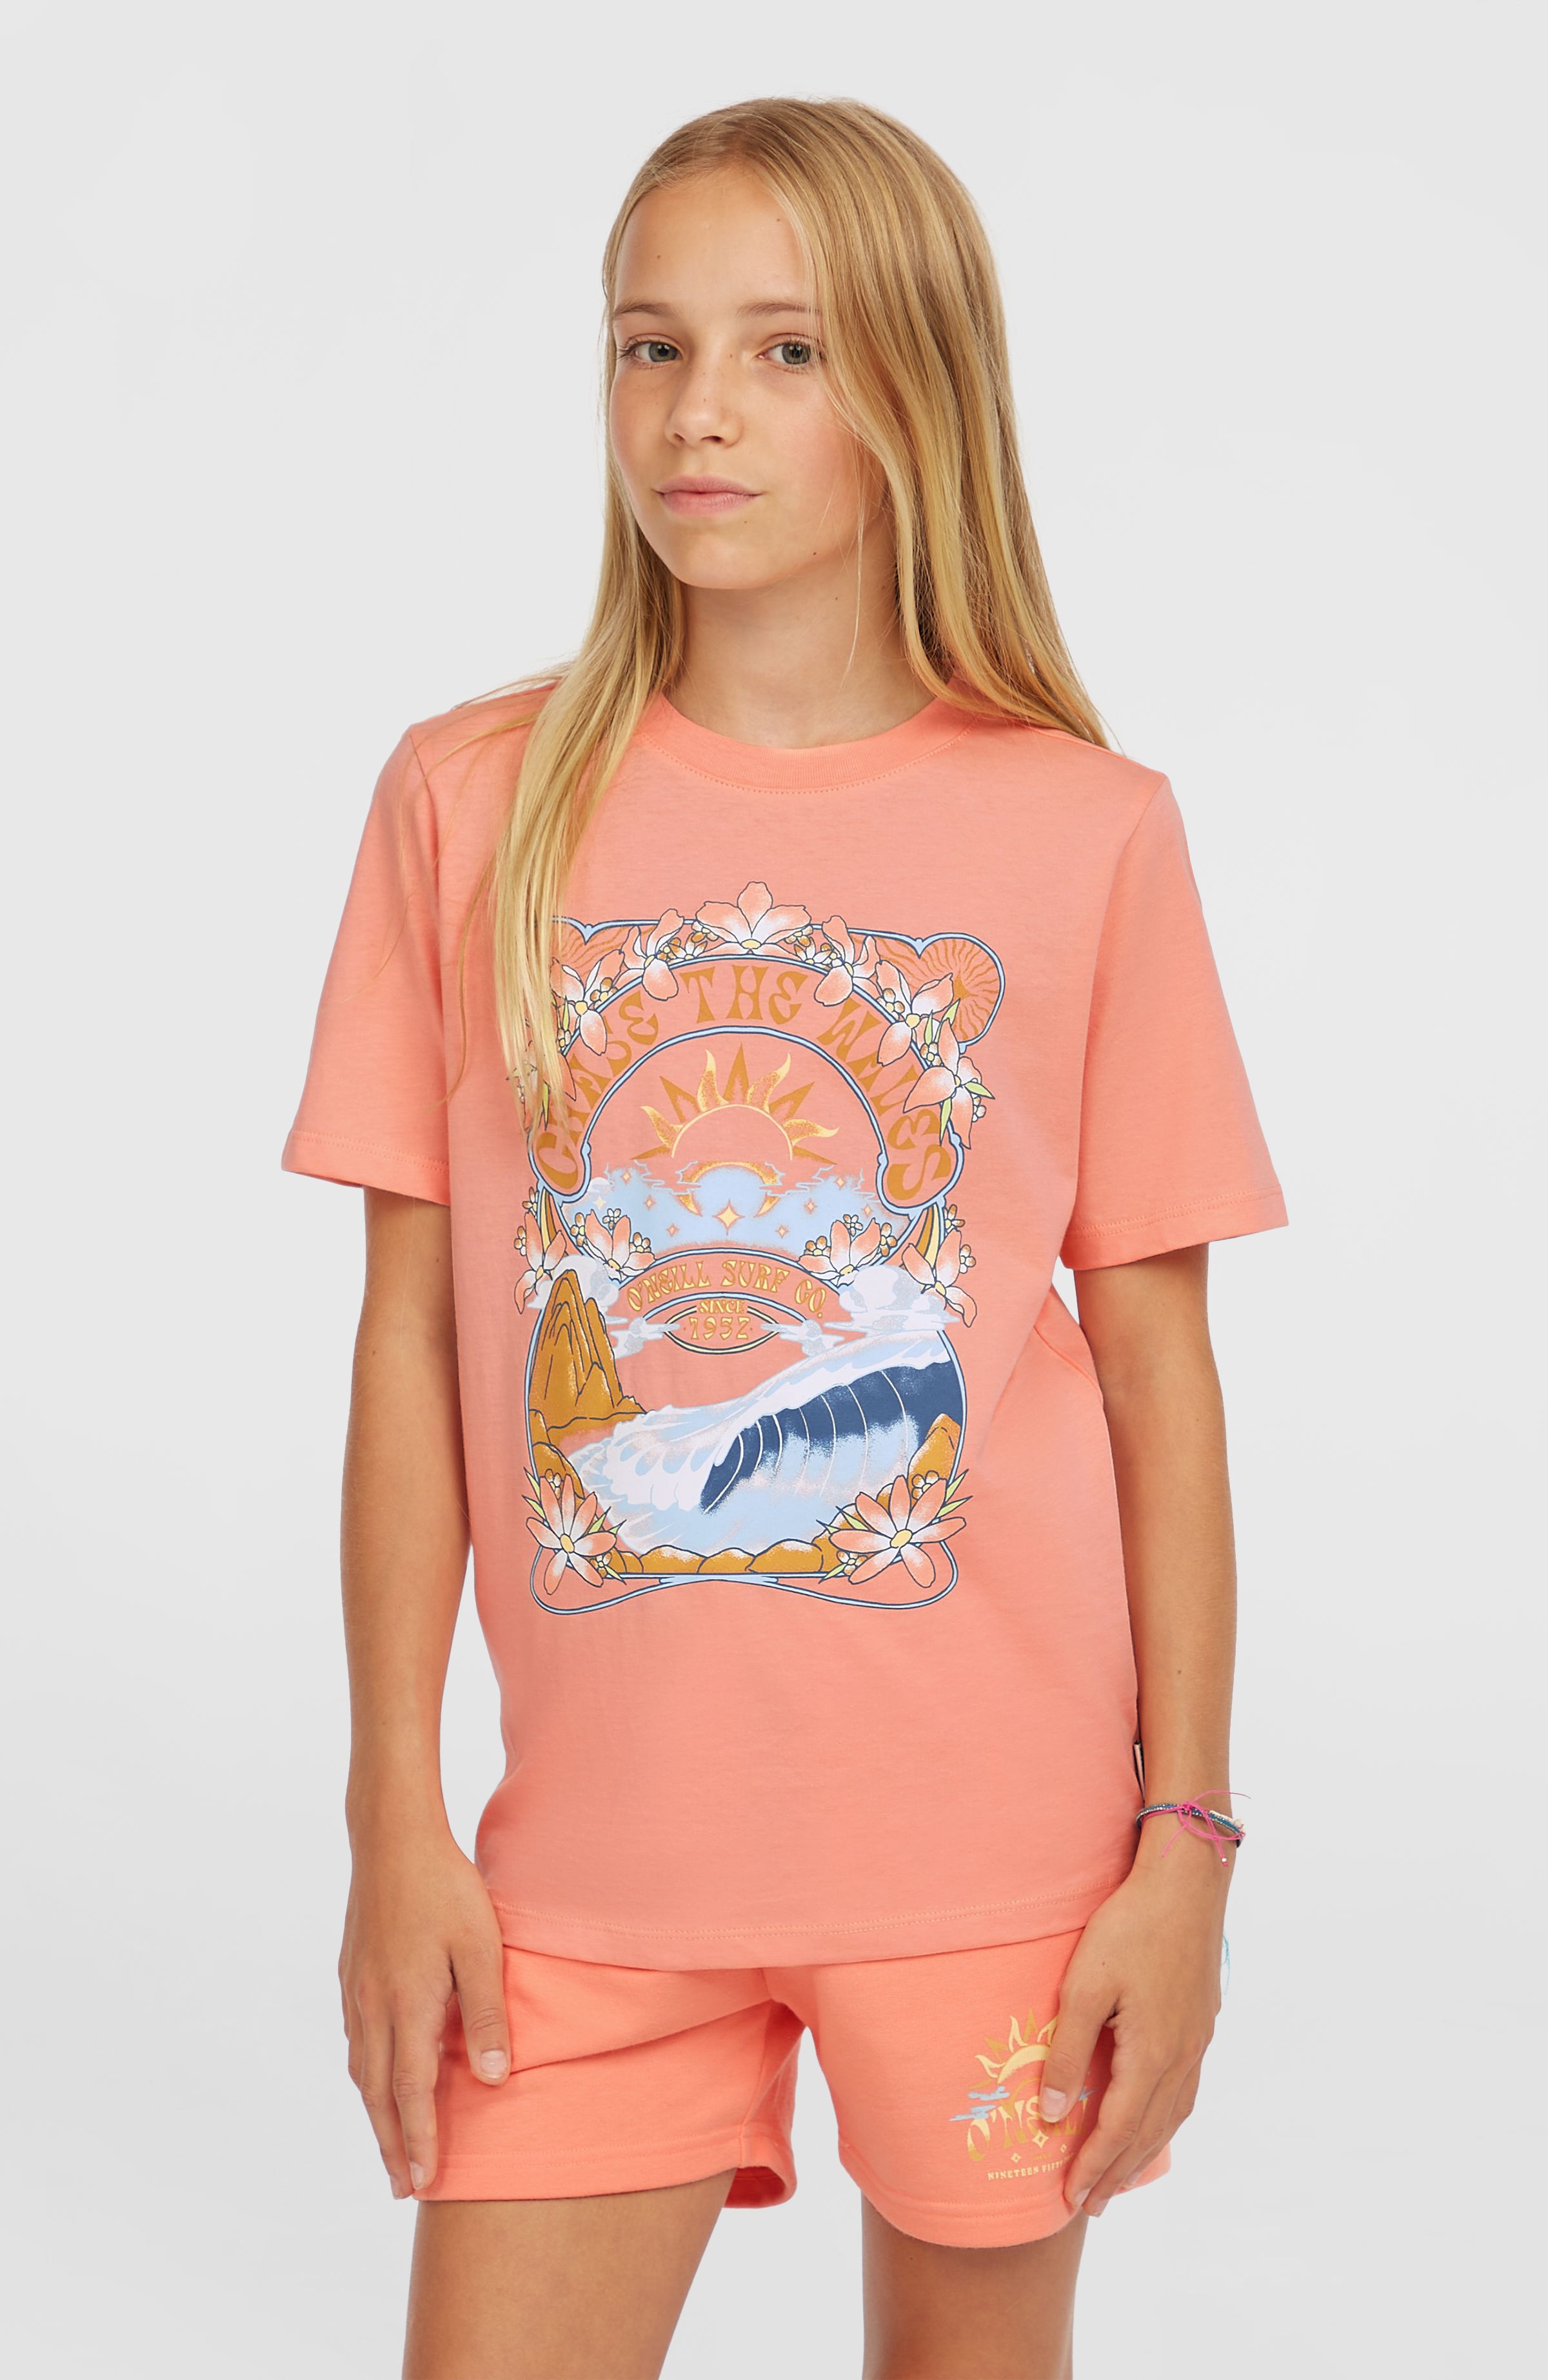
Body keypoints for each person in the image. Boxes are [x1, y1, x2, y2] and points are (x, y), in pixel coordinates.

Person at [283, 96, 1285, 2380]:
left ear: (919, 387)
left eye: (784, 349)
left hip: (1000, 1858)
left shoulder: (1086, 831)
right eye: (650, 344)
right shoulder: (469, 801)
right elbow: (413, 1343)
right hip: (585, 1875)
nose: (697, 410)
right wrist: (391, 1818)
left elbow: (1159, 1376)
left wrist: (1187, 1846)